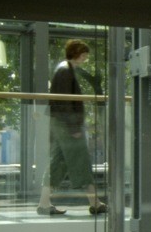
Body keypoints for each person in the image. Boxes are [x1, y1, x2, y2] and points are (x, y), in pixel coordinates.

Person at [39, 38, 105, 215]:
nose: (85, 57)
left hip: (61, 124)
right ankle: (95, 202)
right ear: (75, 53)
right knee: (81, 159)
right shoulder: (65, 71)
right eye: (83, 53)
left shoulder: (64, 69)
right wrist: (74, 128)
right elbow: (63, 103)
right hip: (67, 125)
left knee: (57, 164)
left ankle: (44, 204)